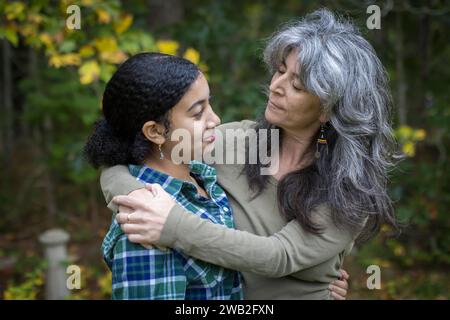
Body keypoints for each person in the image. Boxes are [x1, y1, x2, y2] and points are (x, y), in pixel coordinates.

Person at [102, 8, 396, 299]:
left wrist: (172, 224)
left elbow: (278, 256)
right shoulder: (242, 142)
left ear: (329, 109)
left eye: (297, 85)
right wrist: (141, 201)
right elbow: (127, 161)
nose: (276, 87)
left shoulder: (347, 188)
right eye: (280, 71)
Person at [84, 52, 243, 299]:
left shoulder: (204, 179)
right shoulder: (144, 227)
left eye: (209, 104)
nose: (215, 120)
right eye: (197, 113)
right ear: (156, 132)